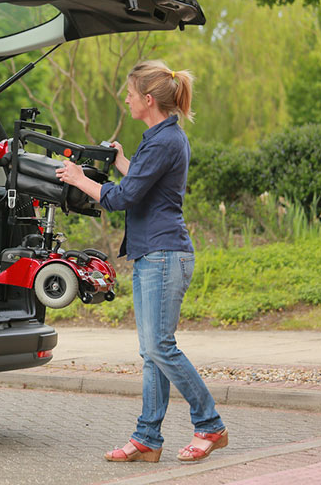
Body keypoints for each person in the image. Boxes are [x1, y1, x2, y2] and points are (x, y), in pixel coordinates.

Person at [55, 60, 227, 463]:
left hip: (165, 255)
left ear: (148, 100)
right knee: (151, 352)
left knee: (160, 348)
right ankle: (148, 437)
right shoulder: (161, 138)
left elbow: (122, 198)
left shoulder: (165, 141)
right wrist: (119, 161)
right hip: (157, 253)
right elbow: (140, 185)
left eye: (130, 94)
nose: (126, 99)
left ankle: (211, 425)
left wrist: (79, 179)